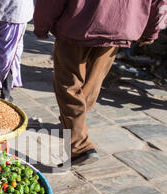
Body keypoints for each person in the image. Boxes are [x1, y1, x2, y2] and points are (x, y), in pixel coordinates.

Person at [33, 0, 166, 167]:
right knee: (92, 82)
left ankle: (80, 145)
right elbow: (159, 3)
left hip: (78, 26)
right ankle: (73, 124)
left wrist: (41, 26)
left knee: (68, 85)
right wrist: (151, 31)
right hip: (119, 26)